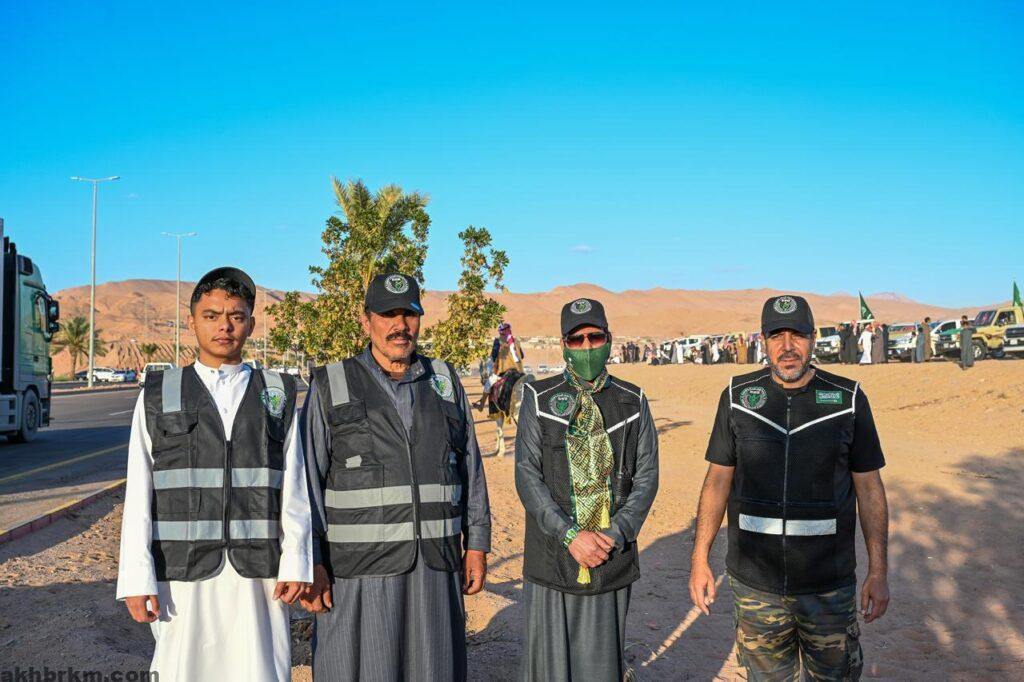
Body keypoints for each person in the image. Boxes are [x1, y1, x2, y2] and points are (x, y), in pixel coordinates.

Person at [116, 267, 312, 682]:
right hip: (181, 574)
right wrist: (136, 576)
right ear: (192, 322)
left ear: (251, 325)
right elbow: (139, 493)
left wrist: (296, 561)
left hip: (259, 572)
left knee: (259, 669)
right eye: (211, 315)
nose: (225, 326)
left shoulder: (277, 393)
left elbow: (295, 486)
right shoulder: (158, 394)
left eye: (236, 316)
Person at [299, 273, 491, 681]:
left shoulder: (445, 381)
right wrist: (310, 559)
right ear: (366, 319)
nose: (400, 325)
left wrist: (477, 543)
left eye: (409, 314)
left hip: (434, 567)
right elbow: (307, 483)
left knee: (434, 668)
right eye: (388, 314)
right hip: (357, 573)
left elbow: (470, 467)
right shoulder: (331, 384)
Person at [689, 295, 890, 681]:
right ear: (763, 341)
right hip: (756, 587)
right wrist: (699, 560)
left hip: (828, 588)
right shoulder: (737, 398)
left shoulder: (847, 400)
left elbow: (869, 489)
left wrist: (878, 571)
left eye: (797, 335)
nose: (787, 346)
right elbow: (717, 481)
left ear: (813, 338)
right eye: (776, 336)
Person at [515, 298, 659, 682]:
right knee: (549, 668)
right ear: (563, 345)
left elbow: (647, 476)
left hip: (611, 558)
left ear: (609, 339)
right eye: (576, 340)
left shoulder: (632, 401)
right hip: (552, 557)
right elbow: (527, 475)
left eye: (595, 338)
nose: (586, 347)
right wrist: (570, 535)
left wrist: (615, 534)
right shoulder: (538, 399)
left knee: (600, 666)